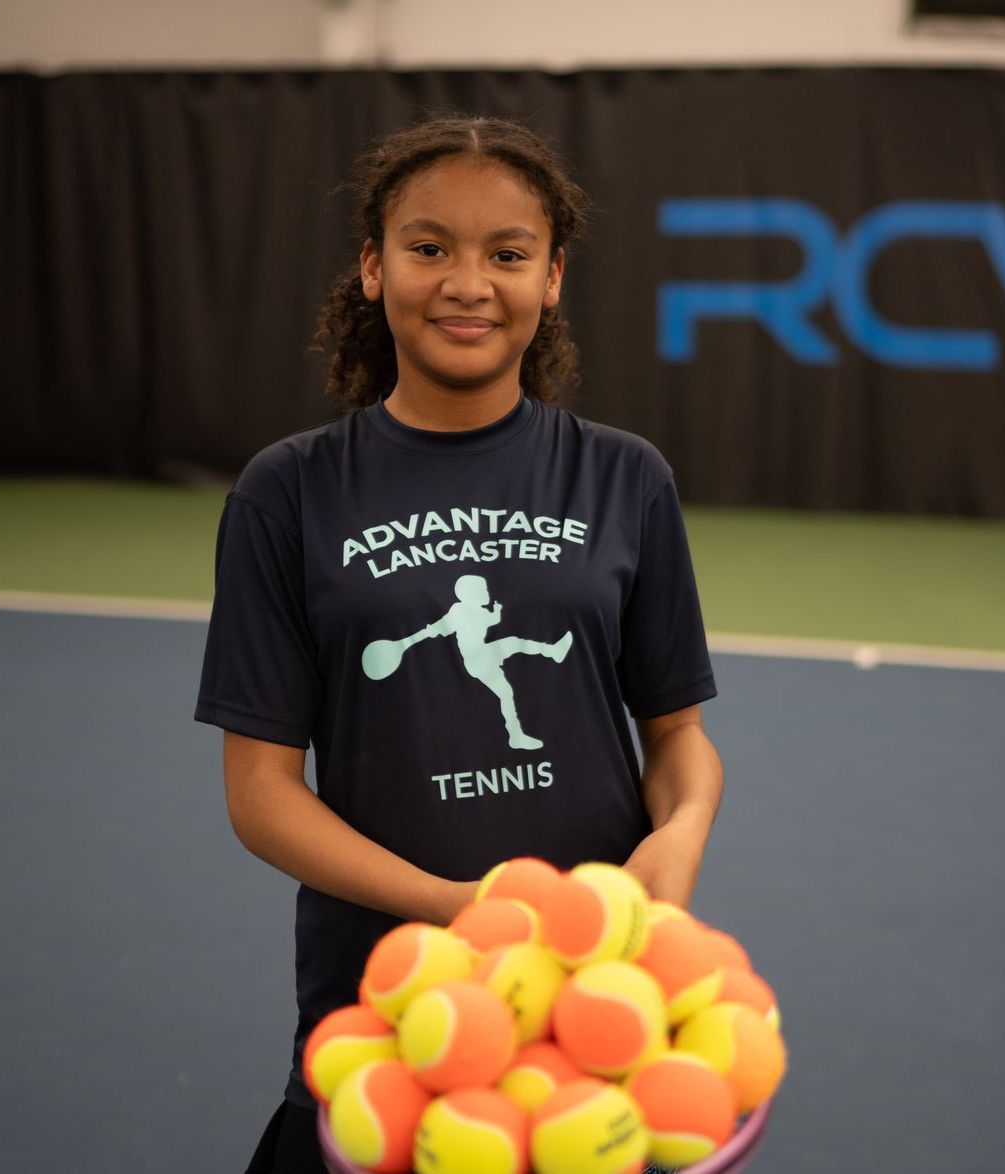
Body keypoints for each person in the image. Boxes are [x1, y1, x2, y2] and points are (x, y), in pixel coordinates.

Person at [195, 113, 724, 1174]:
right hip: (383, 991)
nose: (467, 282)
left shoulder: (625, 479)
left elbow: (675, 736)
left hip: (590, 990)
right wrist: (453, 909)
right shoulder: (287, 492)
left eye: (507, 253)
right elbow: (259, 790)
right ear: (371, 266)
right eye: (429, 246)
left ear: (552, 279)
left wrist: (682, 832)